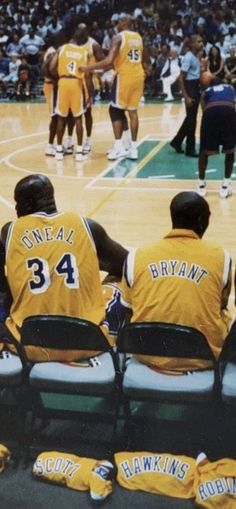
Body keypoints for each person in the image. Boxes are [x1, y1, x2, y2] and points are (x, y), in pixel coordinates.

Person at [0, 174, 128, 361]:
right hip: (87, 342)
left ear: (27, 204)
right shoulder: (87, 226)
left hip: (27, 343)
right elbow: (128, 265)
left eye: (17, 203)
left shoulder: (9, 231)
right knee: (117, 281)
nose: (16, 208)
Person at [120, 191, 232, 373]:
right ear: (202, 221)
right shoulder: (221, 257)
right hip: (202, 358)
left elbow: (126, 308)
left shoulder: (137, 255)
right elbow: (221, 305)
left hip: (146, 354)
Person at [79, 13, 151, 161]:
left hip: (124, 77)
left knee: (114, 110)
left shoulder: (118, 37)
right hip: (138, 76)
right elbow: (146, 61)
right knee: (132, 112)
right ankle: (133, 148)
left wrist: (88, 68)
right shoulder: (138, 38)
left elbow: (109, 60)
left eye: (118, 21)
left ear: (124, 22)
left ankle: (118, 148)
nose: (116, 24)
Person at [49, 28, 93, 162]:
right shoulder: (84, 52)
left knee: (61, 118)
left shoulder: (62, 49)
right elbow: (86, 75)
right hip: (76, 84)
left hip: (63, 82)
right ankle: (79, 152)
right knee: (78, 118)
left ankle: (58, 151)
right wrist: (89, 94)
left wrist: (60, 76)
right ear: (82, 40)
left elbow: (51, 67)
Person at [197, 77, 236, 198]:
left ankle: (201, 185)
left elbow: (204, 109)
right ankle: (225, 187)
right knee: (230, 150)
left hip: (210, 112)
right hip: (228, 111)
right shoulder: (230, 88)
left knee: (204, 151)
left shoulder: (206, 91)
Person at [170, 34, 204, 157]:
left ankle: (177, 141)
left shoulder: (196, 56)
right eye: (199, 42)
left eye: (202, 41)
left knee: (190, 119)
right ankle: (190, 149)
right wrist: (186, 96)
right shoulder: (189, 57)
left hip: (195, 86)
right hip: (190, 87)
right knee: (192, 121)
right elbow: (180, 78)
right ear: (193, 44)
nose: (202, 44)